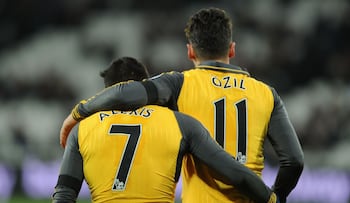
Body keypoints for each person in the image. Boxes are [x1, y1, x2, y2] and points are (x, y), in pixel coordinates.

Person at [60, 8, 304, 203]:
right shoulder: (266, 94)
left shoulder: (179, 83)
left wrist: (78, 113)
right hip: (250, 194)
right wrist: (276, 196)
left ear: (190, 51)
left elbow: (125, 93)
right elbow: (293, 161)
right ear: (231, 49)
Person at [52, 56, 279, 203]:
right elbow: (236, 174)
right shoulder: (181, 124)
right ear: (145, 85)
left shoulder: (82, 131)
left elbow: (64, 194)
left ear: (105, 93)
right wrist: (270, 199)